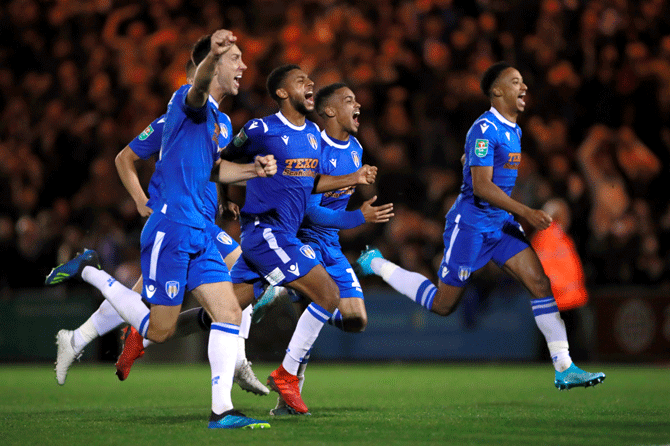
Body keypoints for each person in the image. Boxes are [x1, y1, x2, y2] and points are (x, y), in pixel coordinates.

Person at [46, 29, 273, 429]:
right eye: (234, 58)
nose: (243, 66)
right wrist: (138, 198)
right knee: (163, 329)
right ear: (212, 64)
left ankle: (222, 410)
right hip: (174, 225)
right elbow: (192, 92)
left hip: (200, 229)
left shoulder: (219, 122)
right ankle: (89, 271)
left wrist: (254, 171)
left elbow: (214, 169)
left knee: (229, 312)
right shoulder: (187, 103)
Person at [355, 61, 605, 390]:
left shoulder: (512, 129)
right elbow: (483, 186)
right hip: (470, 225)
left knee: (540, 283)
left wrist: (471, 163)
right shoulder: (484, 129)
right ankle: (378, 264)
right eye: (516, 82)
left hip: (498, 224)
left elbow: (479, 167)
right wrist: (526, 212)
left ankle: (564, 366)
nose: (524, 88)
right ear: (497, 91)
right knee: (444, 304)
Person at [219, 65, 377, 414]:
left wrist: (354, 176)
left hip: (282, 236)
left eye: (310, 79)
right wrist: (226, 195)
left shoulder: (311, 136)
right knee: (328, 294)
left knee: (222, 309)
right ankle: (287, 375)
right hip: (267, 231)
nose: (309, 83)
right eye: (300, 80)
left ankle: (147, 328)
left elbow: (312, 185)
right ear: (280, 93)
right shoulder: (261, 128)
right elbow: (223, 161)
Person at [253, 82, 394, 415]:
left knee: (356, 319)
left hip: (330, 243)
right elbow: (308, 209)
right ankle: (286, 399)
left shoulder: (356, 148)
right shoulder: (312, 146)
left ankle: (286, 297)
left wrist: (360, 187)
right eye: (349, 100)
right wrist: (358, 216)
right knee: (316, 310)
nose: (357, 105)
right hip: (301, 239)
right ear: (329, 110)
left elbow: (339, 199)